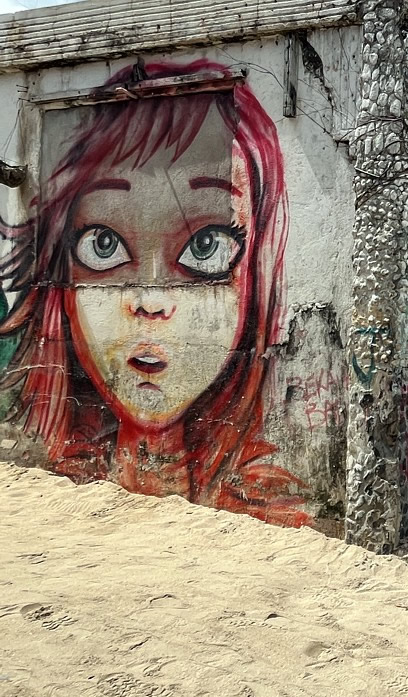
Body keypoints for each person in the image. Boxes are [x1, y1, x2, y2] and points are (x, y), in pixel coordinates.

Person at [0, 59, 309, 526]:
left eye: (206, 246)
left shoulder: (273, 508)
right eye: (102, 244)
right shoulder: (51, 474)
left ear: (255, 279)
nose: (150, 301)